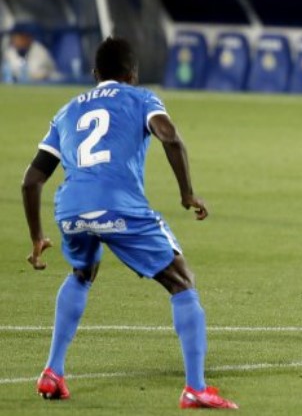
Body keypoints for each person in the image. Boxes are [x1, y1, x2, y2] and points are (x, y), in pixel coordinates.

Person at [20, 37, 237, 409]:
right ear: (132, 74)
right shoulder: (141, 99)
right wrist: (187, 194)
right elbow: (169, 136)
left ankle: (53, 372)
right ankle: (196, 388)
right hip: (118, 206)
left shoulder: (67, 110)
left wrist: (38, 237)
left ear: (94, 74)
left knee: (82, 274)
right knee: (182, 281)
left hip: (70, 209)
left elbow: (31, 180)